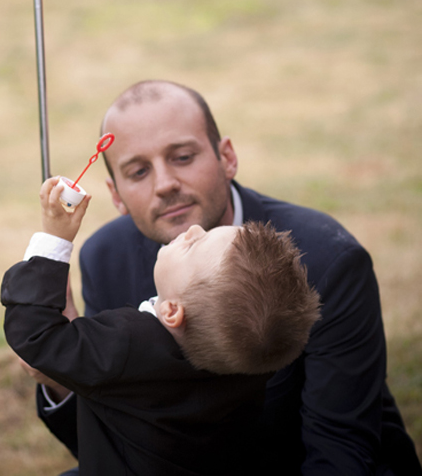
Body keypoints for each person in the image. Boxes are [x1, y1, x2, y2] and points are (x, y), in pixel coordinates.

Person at [31, 80, 421, 476]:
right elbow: (116, 439)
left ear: (227, 157)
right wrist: (60, 376)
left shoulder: (327, 260)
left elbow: (340, 447)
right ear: (116, 195)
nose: (165, 184)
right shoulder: (104, 257)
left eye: (182, 157)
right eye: (139, 171)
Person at [2, 175, 320, 476]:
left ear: (171, 312)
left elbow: (36, 335)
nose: (194, 229)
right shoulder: (242, 360)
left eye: (195, 245)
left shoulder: (129, 344)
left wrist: (54, 240)